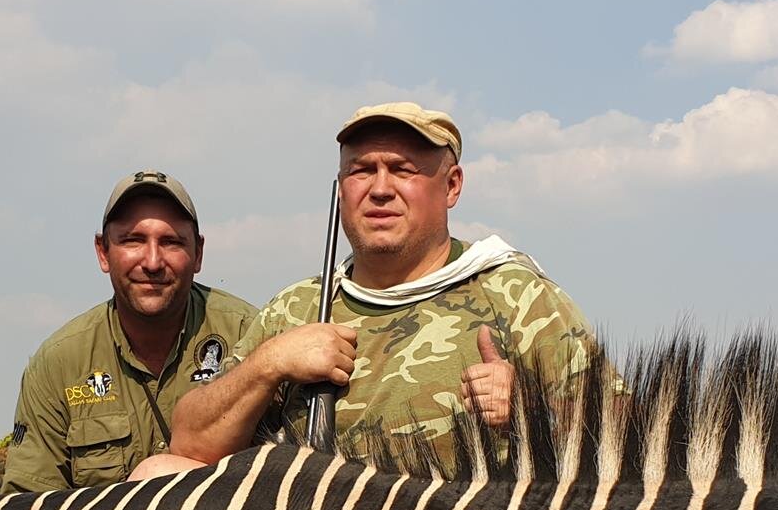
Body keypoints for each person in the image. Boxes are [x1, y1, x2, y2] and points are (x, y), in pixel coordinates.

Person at [168, 102, 607, 470]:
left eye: (402, 170)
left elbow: (628, 438)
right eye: (362, 171)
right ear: (340, 189)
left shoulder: (517, 295)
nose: (380, 189)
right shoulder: (297, 307)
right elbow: (190, 443)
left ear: (451, 186)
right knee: (159, 471)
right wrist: (269, 364)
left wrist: (533, 411)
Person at [0, 172, 256, 493]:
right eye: (133, 240)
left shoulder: (250, 335)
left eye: (171, 242)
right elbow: (28, 506)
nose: (152, 261)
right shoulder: (58, 364)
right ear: (103, 252)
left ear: (198, 254)